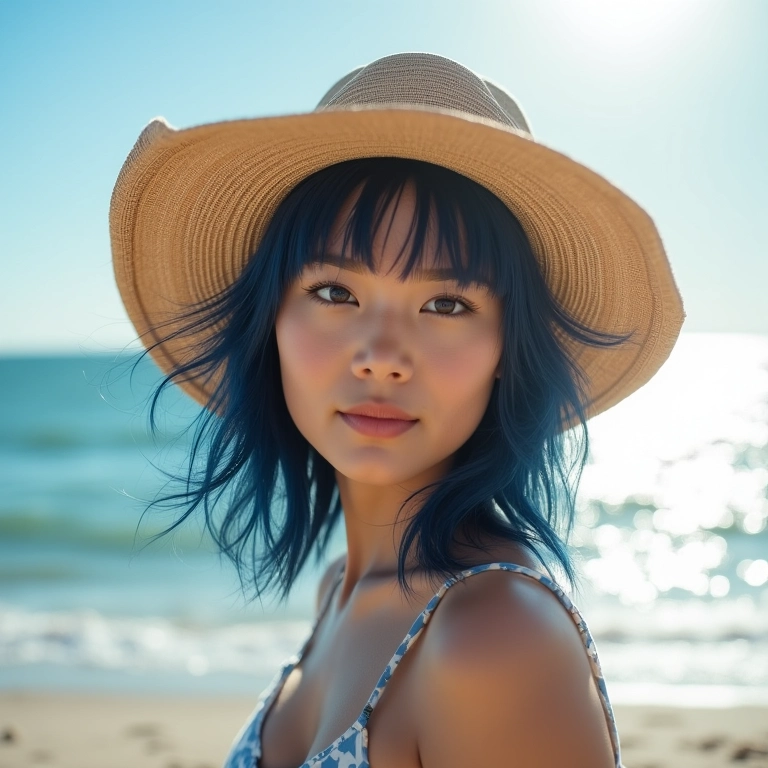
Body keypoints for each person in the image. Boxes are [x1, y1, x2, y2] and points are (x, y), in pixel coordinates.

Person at [110, 52, 684, 768]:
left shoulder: (493, 640)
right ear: (272, 320)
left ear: (508, 348)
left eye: (447, 303)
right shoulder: (335, 589)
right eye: (334, 292)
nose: (381, 355)